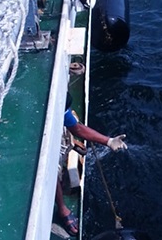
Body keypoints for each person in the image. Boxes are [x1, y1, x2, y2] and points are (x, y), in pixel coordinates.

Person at [57, 94, 127, 236]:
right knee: (53, 172)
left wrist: (109, 141)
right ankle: (62, 209)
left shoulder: (61, 104)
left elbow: (76, 128)